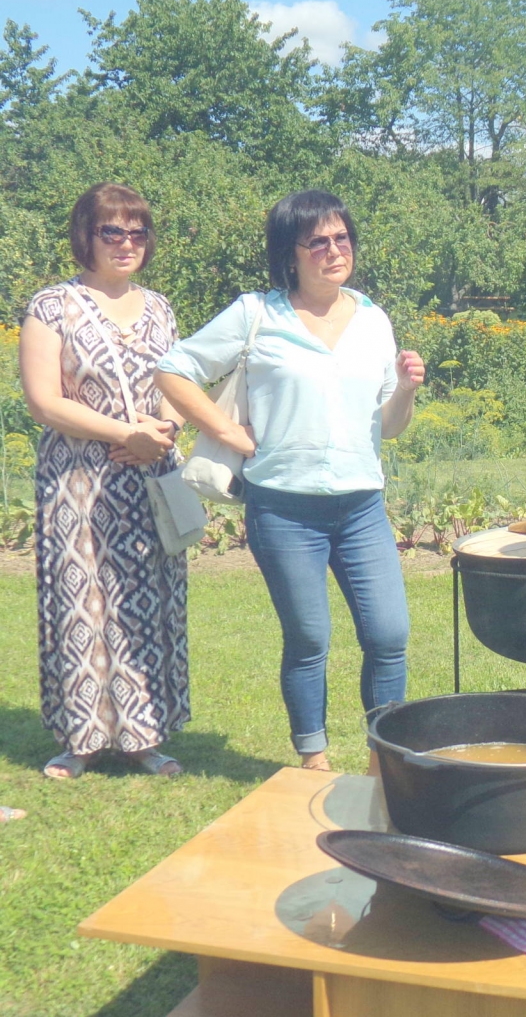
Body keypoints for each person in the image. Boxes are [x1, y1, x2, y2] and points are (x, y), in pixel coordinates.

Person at [155, 189, 424, 774]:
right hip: (283, 509)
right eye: (318, 241)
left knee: (389, 633)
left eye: (342, 238)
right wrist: (230, 430)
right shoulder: (257, 313)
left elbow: (391, 427)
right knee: (309, 640)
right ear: (291, 253)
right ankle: (314, 760)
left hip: (360, 507)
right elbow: (174, 371)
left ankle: (385, 761)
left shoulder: (374, 319)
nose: (334, 250)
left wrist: (405, 390)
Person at [20, 182, 189, 780]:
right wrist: (125, 431)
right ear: (85, 237)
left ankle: (145, 736)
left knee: (147, 606)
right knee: (82, 602)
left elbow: (179, 387)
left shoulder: (161, 307)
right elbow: (43, 402)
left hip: (149, 479)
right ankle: (82, 737)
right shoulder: (51, 306)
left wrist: (164, 428)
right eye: (110, 232)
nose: (125, 243)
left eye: (136, 231)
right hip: (79, 481)